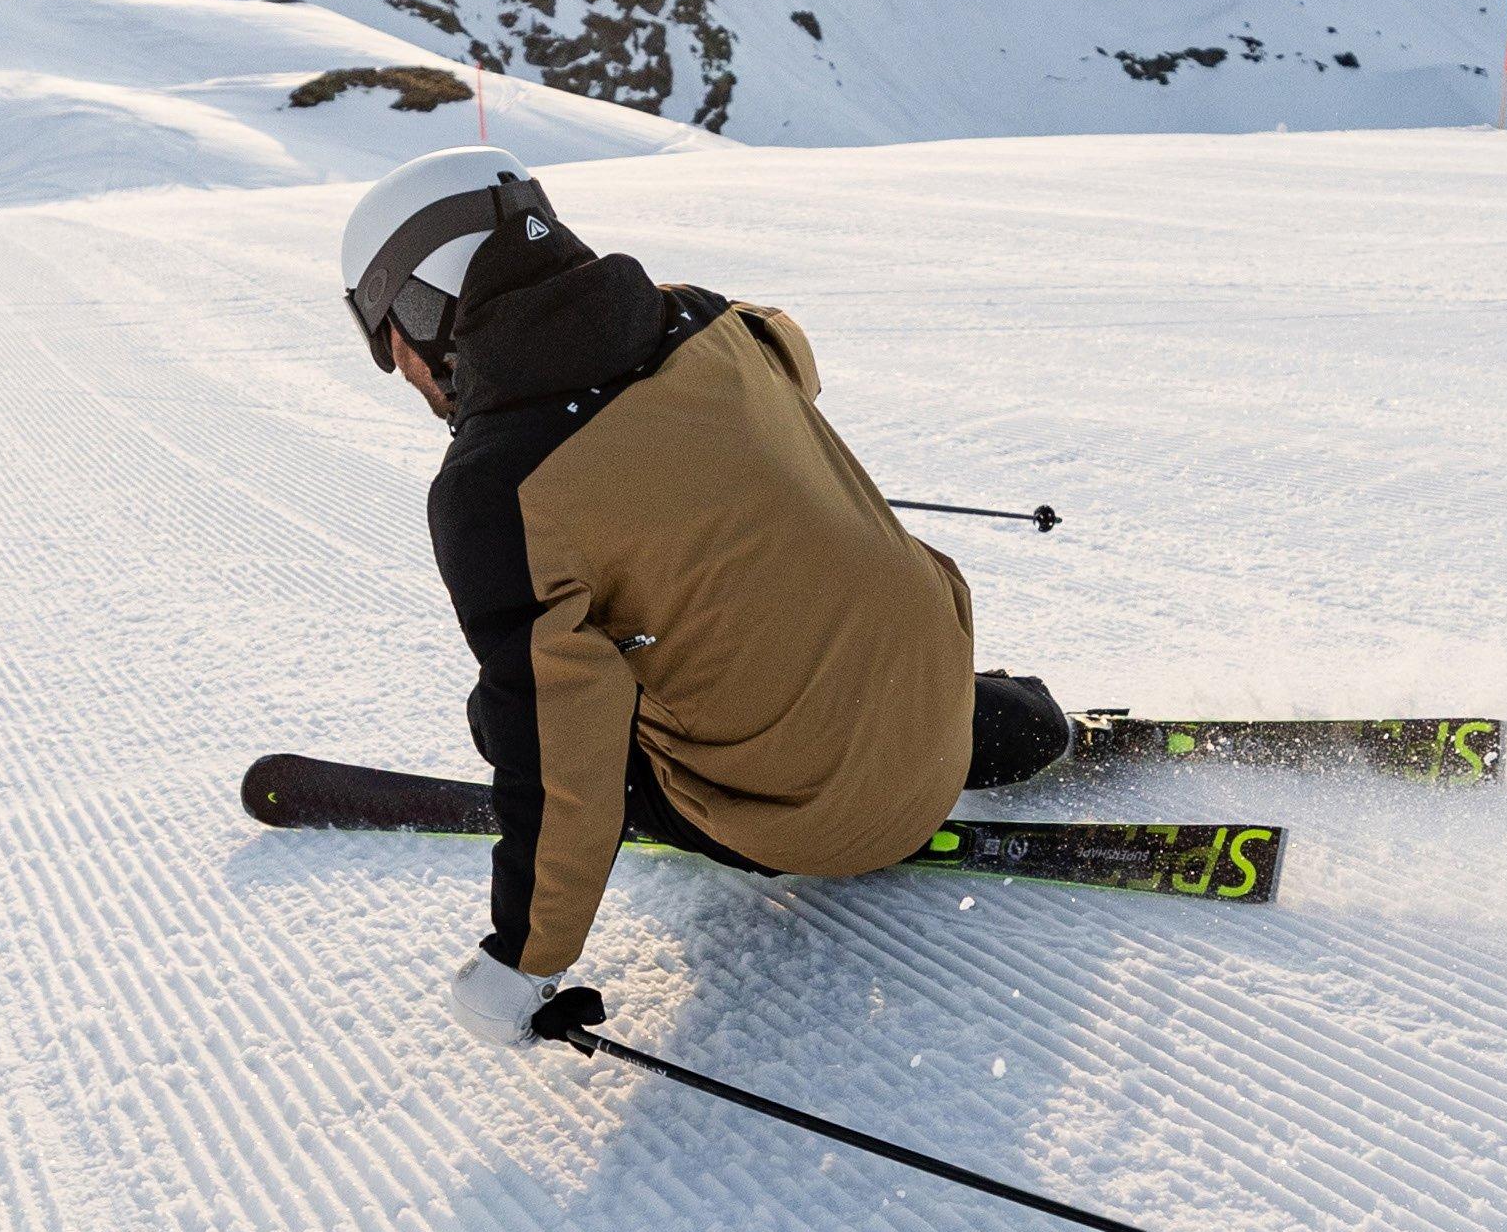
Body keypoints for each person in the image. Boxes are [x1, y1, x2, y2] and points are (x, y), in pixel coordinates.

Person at [337, 145, 1075, 1047]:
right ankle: (1015, 720)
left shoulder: (495, 487)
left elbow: (560, 750)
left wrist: (523, 961)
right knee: (784, 581)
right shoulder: (708, 318)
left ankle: (827, 778)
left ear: (421, 309)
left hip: (812, 823)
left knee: (512, 717)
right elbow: (791, 353)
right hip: (936, 687)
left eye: (387, 344)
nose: (401, 370)